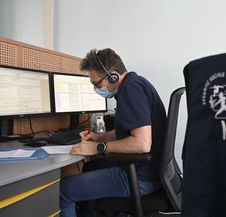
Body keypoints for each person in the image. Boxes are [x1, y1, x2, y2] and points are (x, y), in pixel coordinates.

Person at [59, 48, 166, 217]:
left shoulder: (131, 89)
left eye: (97, 84)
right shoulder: (135, 84)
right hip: (150, 172)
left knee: (65, 189)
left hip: (140, 178)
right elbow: (127, 132)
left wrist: (98, 147)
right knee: (90, 167)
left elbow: (142, 144)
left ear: (113, 76)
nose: (96, 89)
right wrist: (99, 137)